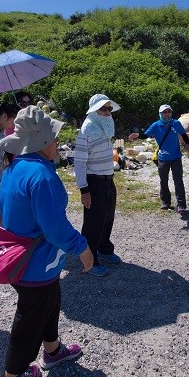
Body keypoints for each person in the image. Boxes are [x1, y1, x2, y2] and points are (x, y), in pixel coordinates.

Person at [0, 106, 93, 377]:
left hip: (27, 260)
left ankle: (52, 350)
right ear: (40, 142)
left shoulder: (16, 167)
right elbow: (54, 228)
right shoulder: (41, 176)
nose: (58, 144)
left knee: (50, 301)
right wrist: (83, 249)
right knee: (29, 320)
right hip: (34, 264)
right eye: (54, 138)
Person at [74, 94, 123, 277]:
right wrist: (84, 190)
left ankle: (104, 248)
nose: (108, 112)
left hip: (108, 180)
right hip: (94, 182)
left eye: (110, 108)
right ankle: (89, 259)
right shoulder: (87, 129)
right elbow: (79, 162)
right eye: (104, 108)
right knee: (93, 222)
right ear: (94, 110)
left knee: (107, 217)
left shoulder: (104, 127)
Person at [143, 104, 189, 213]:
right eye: (164, 112)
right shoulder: (156, 125)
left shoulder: (176, 123)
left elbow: (183, 134)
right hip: (163, 158)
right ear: (160, 114)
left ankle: (181, 205)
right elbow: (145, 135)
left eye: (169, 112)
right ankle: (165, 202)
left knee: (178, 181)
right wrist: (137, 135)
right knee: (163, 181)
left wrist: (187, 143)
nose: (167, 114)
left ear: (171, 113)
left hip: (176, 157)